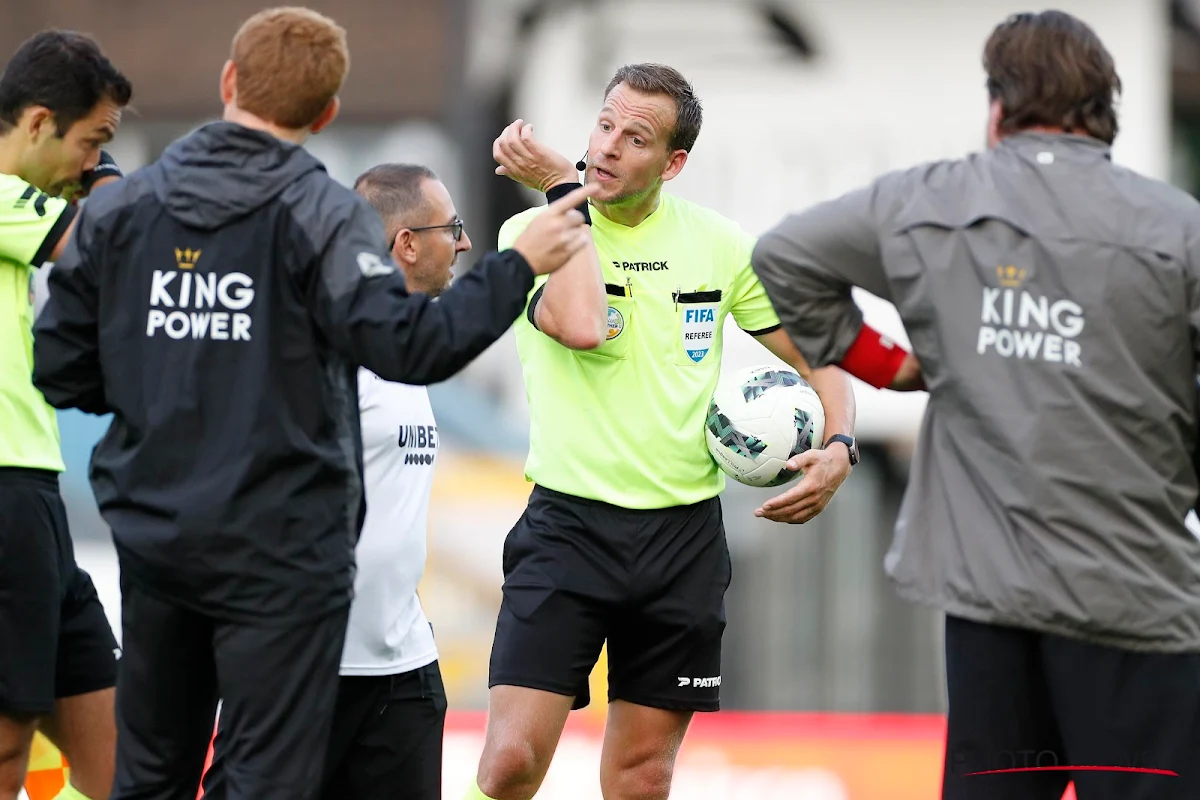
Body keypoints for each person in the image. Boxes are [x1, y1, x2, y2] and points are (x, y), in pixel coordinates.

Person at [29, 7, 595, 800]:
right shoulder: (323, 216)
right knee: (266, 780)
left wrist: (160, 398)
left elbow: (59, 368)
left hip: (160, 542)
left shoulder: (125, 210)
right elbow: (411, 346)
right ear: (325, 114)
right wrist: (517, 265)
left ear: (230, 81)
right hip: (281, 556)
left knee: (151, 777)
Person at [751, 10, 1200, 800]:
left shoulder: (931, 199)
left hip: (991, 606)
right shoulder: (1178, 228)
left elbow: (784, 255)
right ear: (1106, 113)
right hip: (1137, 605)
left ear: (998, 108)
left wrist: (890, 366)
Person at [465, 63, 858, 800]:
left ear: (672, 164)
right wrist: (560, 184)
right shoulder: (533, 227)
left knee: (643, 776)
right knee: (510, 763)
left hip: (683, 542)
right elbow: (581, 325)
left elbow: (822, 353)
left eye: (635, 137)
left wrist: (839, 444)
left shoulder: (719, 244)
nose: (609, 146)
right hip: (568, 529)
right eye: (604, 125)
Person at [201, 163, 468, 800]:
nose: (462, 243)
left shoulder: (409, 348)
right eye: (451, 228)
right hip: (301, 673)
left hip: (402, 670)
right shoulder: (322, 347)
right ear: (406, 243)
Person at [0, 29, 130, 800]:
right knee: (9, 746)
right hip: (5, 488)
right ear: (40, 122)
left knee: (126, 765)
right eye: (93, 142)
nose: (91, 164)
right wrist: (111, 182)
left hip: (35, 494)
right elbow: (109, 239)